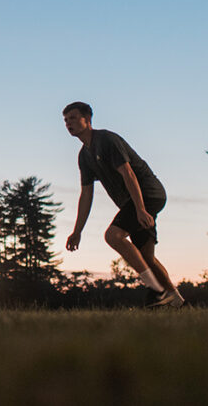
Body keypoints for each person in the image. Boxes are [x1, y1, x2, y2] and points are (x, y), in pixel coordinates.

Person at [62, 101, 185, 308]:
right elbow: (86, 194)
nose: (68, 123)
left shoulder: (106, 140)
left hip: (148, 195)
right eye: (65, 120)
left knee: (113, 235)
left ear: (88, 119)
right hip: (135, 202)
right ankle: (179, 304)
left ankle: (156, 291)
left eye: (73, 118)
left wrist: (140, 209)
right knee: (146, 257)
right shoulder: (84, 155)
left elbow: (128, 173)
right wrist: (77, 231)